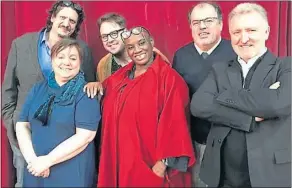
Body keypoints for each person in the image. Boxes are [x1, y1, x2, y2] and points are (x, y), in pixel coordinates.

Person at [191, 3, 291, 187]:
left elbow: (279, 104)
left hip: (269, 174)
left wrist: (225, 96)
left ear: (266, 32)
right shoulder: (219, 70)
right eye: (237, 32)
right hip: (222, 175)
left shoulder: (285, 67)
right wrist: (248, 119)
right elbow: (199, 105)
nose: (244, 38)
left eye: (251, 30)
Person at [1, 1, 95, 187]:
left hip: (68, 145)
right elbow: (8, 90)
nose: (66, 23)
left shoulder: (83, 50)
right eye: (62, 17)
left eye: (72, 21)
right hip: (26, 139)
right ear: (52, 17)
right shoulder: (21, 44)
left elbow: (88, 84)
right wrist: (12, 124)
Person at [97, 26, 195, 187]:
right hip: (121, 163)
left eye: (141, 43)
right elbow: (103, 92)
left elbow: (176, 125)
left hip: (150, 166)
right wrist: (95, 85)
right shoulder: (119, 78)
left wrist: (163, 164)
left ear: (151, 42)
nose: (137, 50)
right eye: (130, 47)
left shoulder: (169, 79)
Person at [15, 38, 101, 187]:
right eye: (60, 57)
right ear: (52, 59)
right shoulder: (38, 89)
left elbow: (85, 136)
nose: (66, 62)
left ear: (80, 62)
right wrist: (33, 161)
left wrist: (47, 161)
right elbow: (22, 125)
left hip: (71, 173)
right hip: (36, 170)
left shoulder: (86, 92)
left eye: (73, 58)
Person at [172, 2, 236, 187]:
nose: (202, 26)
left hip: (230, 140)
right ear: (190, 26)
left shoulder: (235, 51)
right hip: (196, 142)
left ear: (221, 24)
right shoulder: (181, 56)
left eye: (208, 20)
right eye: (196, 22)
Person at [84, 13, 169, 97]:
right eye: (104, 36)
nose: (109, 40)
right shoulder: (103, 65)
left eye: (114, 34)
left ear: (125, 33)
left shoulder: (150, 54)